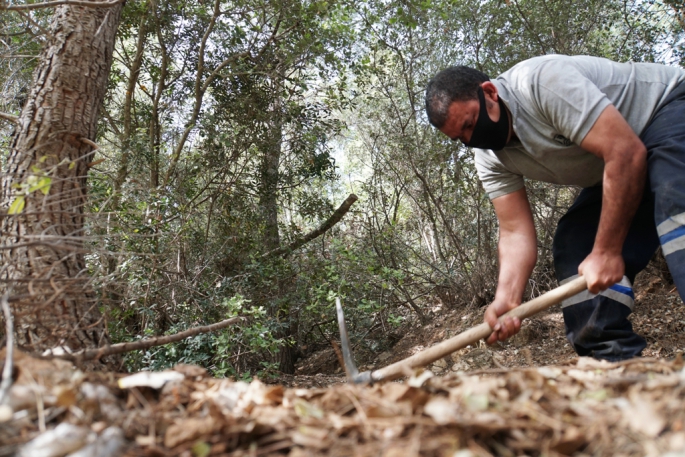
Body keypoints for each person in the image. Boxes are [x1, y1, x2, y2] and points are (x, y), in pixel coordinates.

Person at [425, 55, 685, 361]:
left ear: (490, 93)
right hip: (620, 165)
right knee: (576, 243)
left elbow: (625, 152)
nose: (472, 139)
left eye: (470, 124)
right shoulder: (489, 158)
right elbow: (514, 231)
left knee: (675, 198)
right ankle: (616, 369)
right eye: (461, 138)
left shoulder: (540, 83)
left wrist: (607, 251)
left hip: (666, 111)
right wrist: (507, 299)